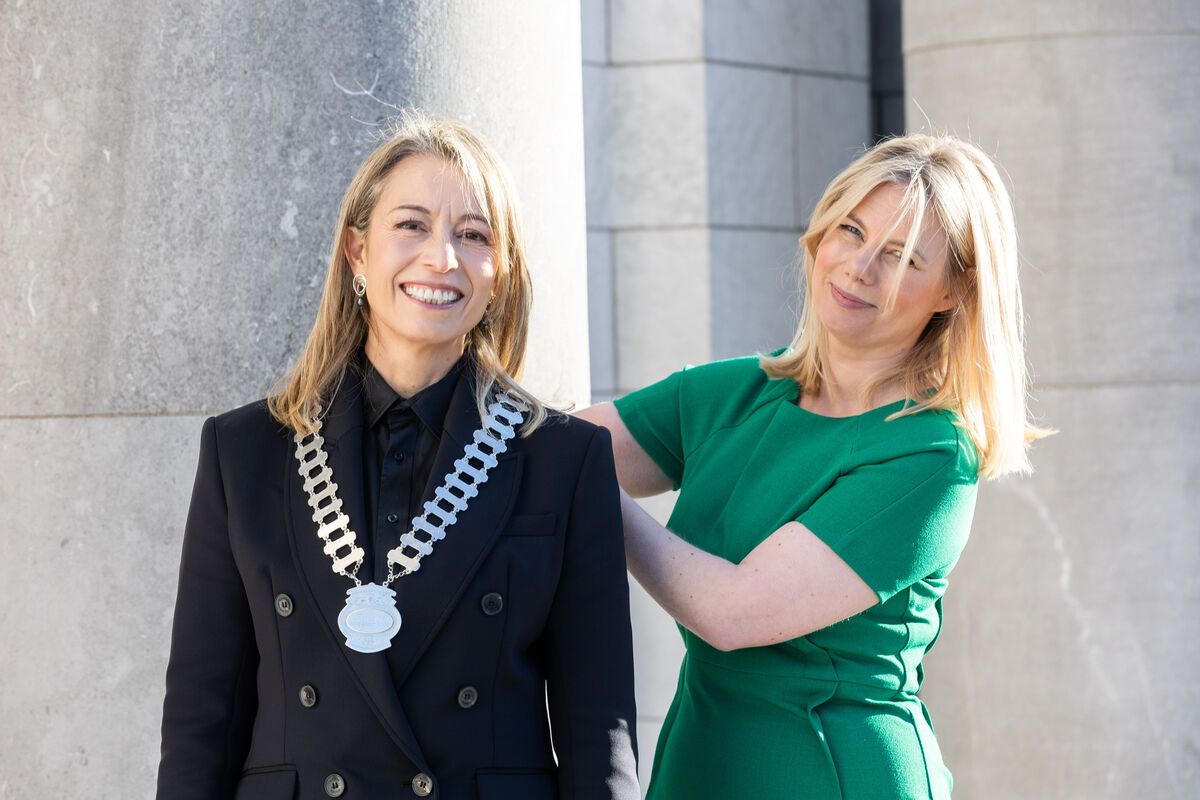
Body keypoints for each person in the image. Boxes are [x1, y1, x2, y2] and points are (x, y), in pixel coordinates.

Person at [157, 114, 639, 800]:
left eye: (473, 235)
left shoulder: (565, 459)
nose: (442, 257)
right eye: (411, 225)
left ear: (497, 276)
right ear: (358, 252)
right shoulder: (243, 453)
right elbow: (202, 720)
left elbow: (602, 731)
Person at [578, 133, 1048, 799]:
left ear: (953, 291)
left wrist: (588, 487)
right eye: (850, 230)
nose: (859, 267)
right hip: (703, 760)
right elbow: (539, 452)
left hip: (836, 770)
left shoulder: (929, 456)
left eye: (902, 257)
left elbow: (734, 613)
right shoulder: (733, 393)